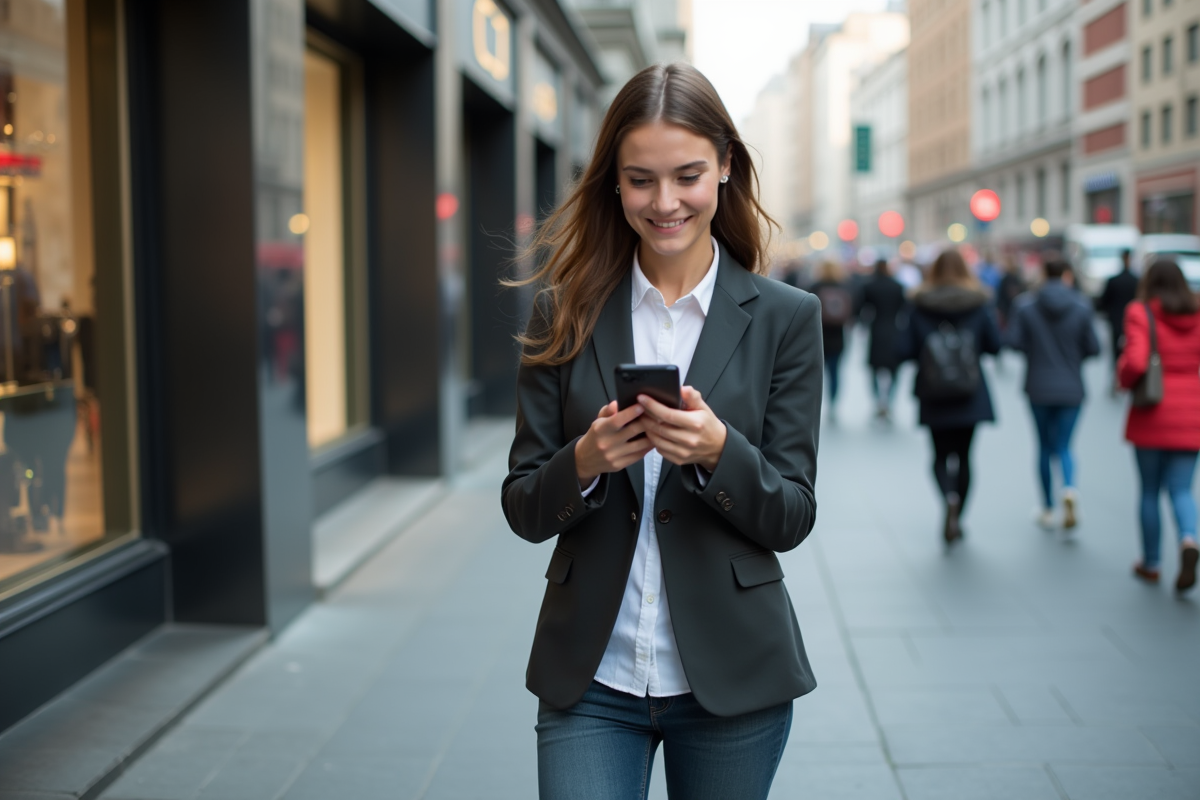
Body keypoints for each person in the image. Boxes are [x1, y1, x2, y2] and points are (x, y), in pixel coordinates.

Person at [502, 63, 822, 799]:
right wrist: (583, 461)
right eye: (641, 179)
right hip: (593, 675)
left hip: (733, 678)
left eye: (687, 175)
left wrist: (717, 453)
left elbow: (792, 513)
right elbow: (523, 506)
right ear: (613, 181)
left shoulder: (785, 318)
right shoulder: (566, 312)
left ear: (726, 168)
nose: (666, 201)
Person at [898, 249, 1001, 544]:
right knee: (966, 457)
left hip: (934, 391)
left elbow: (904, 349)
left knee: (939, 456)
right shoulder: (979, 302)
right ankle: (960, 514)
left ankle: (947, 500)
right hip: (971, 391)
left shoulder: (919, 304)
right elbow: (995, 345)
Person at [1117, 259, 1200, 594]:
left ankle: (1151, 563)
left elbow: (1136, 361)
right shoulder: (1196, 311)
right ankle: (1188, 539)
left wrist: (1122, 376)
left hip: (1153, 410)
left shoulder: (1141, 312)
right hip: (1192, 411)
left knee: (1149, 489)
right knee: (1181, 489)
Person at [1005, 257, 1100, 530]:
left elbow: (1013, 341)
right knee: (1065, 446)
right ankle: (1069, 488)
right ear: (1068, 274)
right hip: (1071, 386)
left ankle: (1047, 506)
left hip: (1038, 386)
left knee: (1044, 447)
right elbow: (1093, 347)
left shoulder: (1025, 306)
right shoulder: (1081, 306)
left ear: (1044, 273)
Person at [856, 258, 907, 420]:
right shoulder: (897, 286)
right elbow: (906, 309)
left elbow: (860, 309)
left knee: (874, 369)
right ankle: (889, 401)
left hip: (876, 330)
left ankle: (879, 401)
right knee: (895, 370)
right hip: (894, 330)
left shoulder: (869, 286)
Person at [809, 260, 853, 420]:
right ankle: (833, 403)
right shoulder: (844, 286)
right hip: (838, 337)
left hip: (818, 335)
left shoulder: (815, 286)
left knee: (816, 373)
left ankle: (816, 403)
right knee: (835, 372)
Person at [1100, 249, 1140, 394]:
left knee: (1115, 353)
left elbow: (1103, 302)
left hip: (1116, 321)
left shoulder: (1113, 281)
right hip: (1134, 323)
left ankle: (1117, 379)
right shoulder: (1137, 281)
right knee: (1132, 350)